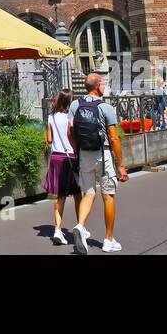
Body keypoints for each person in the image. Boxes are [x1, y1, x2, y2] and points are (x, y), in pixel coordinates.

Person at [69, 72, 128, 254]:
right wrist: (121, 164)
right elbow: (114, 138)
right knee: (108, 195)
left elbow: (70, 133)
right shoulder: (105, 107)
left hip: (84, 154)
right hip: (103, 154)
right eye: (102, 83)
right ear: (98, 87)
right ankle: (109, 240)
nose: (103, 86)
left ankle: (80, 226)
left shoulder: (75, 104)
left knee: (88, 193)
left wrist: (77, 150)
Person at [44, 91, 76, 245]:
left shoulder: (51, 117)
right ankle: (80, 226)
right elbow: (74, 135)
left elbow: (49, 139)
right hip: (71, 157)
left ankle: (57, 229)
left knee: (60, 197)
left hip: (56, 157)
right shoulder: (71, 117)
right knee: (78, 194)